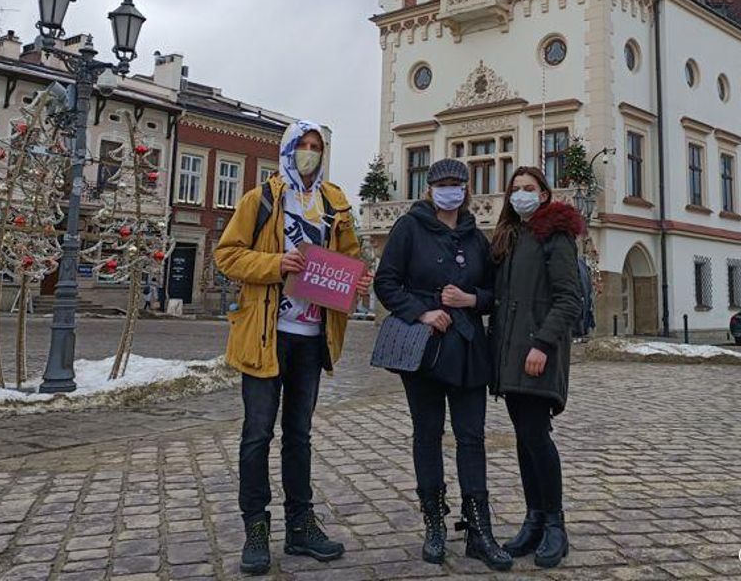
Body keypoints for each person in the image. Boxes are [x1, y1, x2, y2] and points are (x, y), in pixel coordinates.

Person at [214, 120, 372, 575]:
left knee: (299, 435)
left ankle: (301, 525)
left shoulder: (333, 203)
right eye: (302, 145)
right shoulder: (261, 198)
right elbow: (226, 254)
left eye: (316, 147)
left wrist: (358, 277)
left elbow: (350, 260)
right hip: (266, 334)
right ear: (287, 150)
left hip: (312, 337)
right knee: (257, 435)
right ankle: (256, 529)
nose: (309, 153)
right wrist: (274, 262)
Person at [373, 159, 511, 571]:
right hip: (425, 349)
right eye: (442, 183)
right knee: (427, 435)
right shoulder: (409, 228)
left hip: (468, 349)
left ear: (466, 189)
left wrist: (471, 301)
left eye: (456, 183)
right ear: (430, 189)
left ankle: (478, 528)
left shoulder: (475, 236)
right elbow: (386, 283)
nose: (450, 189)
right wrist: (422, 312)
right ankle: (433, 522)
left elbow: (492, 291)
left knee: (472, 437)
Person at [489, 166, 583, 569]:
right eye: (516, 189)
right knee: (525, 438)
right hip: (510, 353)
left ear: (544, 195)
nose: (522, 195)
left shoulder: (554, 235)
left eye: (530, 188)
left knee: (537, 438)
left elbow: (569, 298)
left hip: (536, 354)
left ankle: (555, 525)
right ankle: (534, 519)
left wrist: (542, 344)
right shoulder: (512, 237)